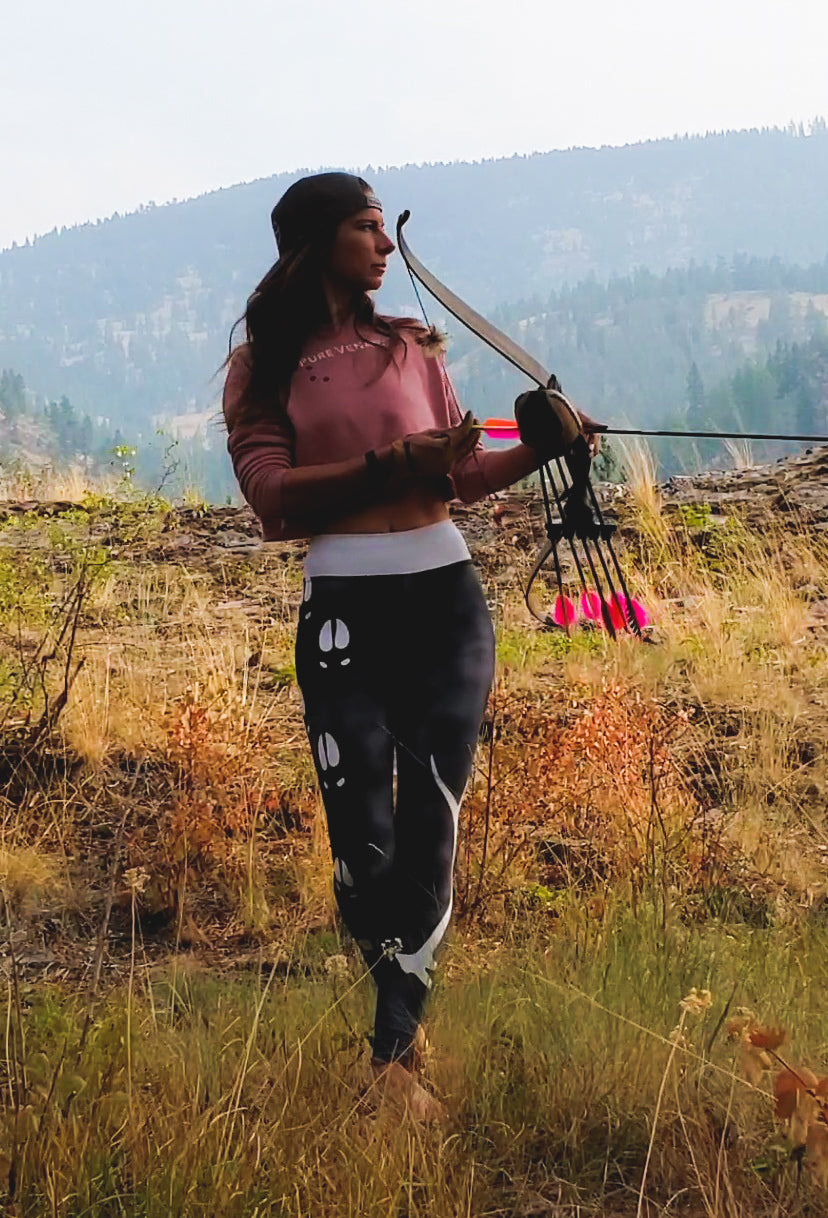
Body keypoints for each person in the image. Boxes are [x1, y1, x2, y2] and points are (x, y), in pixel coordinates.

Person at [222, 171, 592, 1119]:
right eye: (364, 227)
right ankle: (399, 1037)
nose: (385, 245)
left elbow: (461, 474)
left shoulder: (412, 345)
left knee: (433, 819)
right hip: (343, 606)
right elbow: (271, 498)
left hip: (446, 601)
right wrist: (392, 464)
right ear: (315, 243)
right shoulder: (264, 365)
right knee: (362, 843)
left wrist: (543, 449)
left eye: (386, 228)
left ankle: (391, 1058)